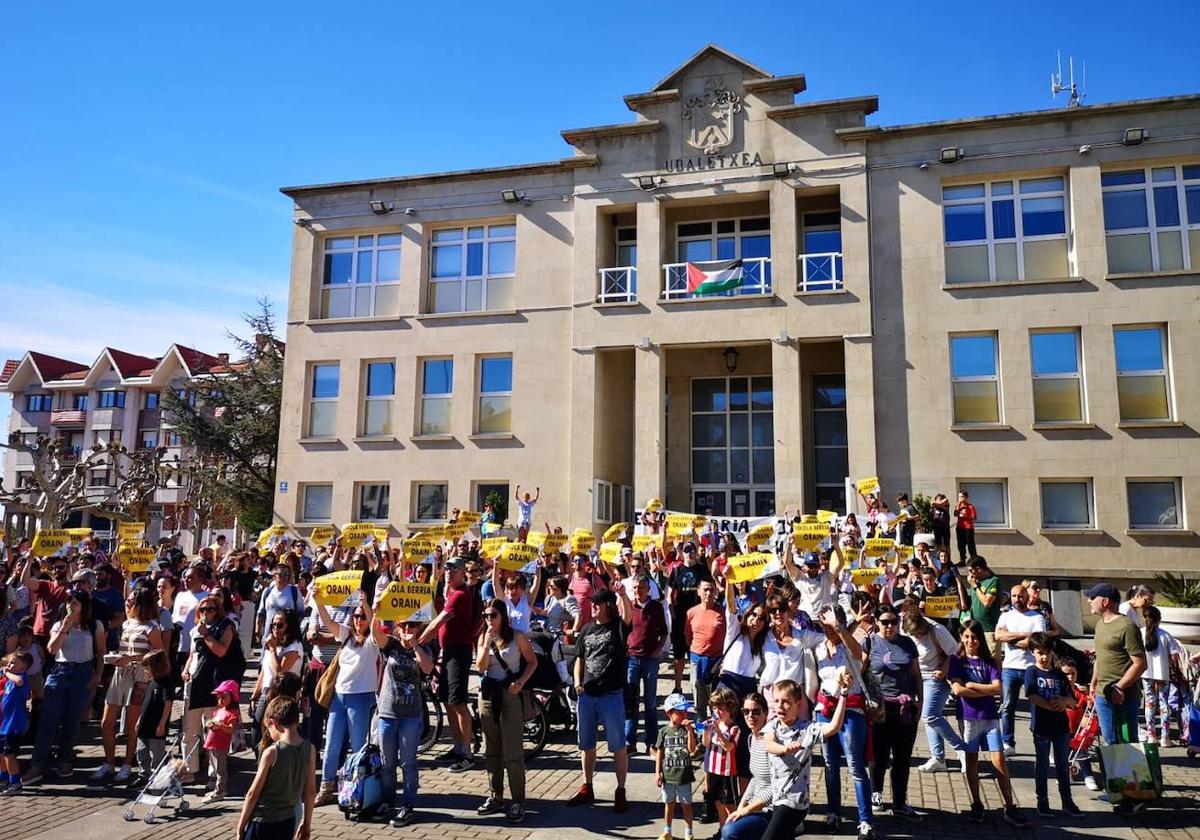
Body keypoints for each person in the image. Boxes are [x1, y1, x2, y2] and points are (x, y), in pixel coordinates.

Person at [947, 619, 1028, 827]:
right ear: (961, 638)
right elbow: (957, 690)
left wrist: (973, 685)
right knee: (971, 761)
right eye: (966, 637)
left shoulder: (989, 661)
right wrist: (983, 689)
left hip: (990, 717)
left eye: (974, 637)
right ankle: (976, 803)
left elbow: (997, 689)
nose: (970, 641)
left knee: (999, 761)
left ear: (980, 639)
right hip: (969, 718)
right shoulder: (957, 661)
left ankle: (1009, 806)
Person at [23, 589, 105, 785]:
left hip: (82, 673)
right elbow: (52, 649)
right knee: (48, 720)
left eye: (75, 602)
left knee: (72, 720)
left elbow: (101, 652)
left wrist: (98, 675)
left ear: (84, 606)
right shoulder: (60, 624)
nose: (71, 605)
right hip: (60, 672)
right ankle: (37, 764)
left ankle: (64, 759)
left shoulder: (94, 625)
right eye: (69, 601)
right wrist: (65, 628)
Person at [761, 676, 853, 840]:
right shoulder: (772, 726)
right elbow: (769, 745)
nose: (780, 706)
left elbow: (834, 727)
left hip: (795, 803)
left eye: (786, 702)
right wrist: (785, 748)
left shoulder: (807, 729)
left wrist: (843, 696)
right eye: (776, 701)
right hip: (777, 800)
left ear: (799, 705)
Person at [567, 585, 632, 812]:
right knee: (586, 745)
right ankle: (587, 786)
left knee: (617, 745)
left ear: (608, 606)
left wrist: (622, 595)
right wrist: (577, 684)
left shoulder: (617, 628)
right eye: (592, 602)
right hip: (587, 696)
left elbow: (628, 617)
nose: (593, 606)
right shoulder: (586, 629)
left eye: (597, 603)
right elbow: (579, 659)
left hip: (611, 696)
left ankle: (621, 789)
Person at [92, 586, 166, 784]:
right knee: (107, 722)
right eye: (127, 600)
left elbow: (159, 655)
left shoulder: (152, 626)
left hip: (140, 676)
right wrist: (117, 658)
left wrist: (133, 658)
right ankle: (108, 762)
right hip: (120, 673)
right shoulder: (126, 624)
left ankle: (126, 764)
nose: (127, 603)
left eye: (131, 601)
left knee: (133, 724)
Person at [475, 599, 537, 824]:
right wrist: (485, 645)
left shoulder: (518, 637)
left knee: (513, 752)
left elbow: (532, 662)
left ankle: (518, 800)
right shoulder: (485, 637)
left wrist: (520, 682)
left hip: (510, 696)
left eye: (493, 615)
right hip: (489, 696)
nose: (489, 620)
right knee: (491, 749)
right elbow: (480, 668)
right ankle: (496, 795)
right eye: (485, 616)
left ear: (502, 616)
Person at [370, 609, 434, 828]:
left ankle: (408, 804)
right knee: (387, 763)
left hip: (410, 716)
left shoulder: (424, 648)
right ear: (398, 627)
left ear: (419, 628)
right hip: (387, 713)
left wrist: (415, 644)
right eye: (404, 625)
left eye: (413, 626)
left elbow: (428, 668)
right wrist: (375, 611)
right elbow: (375, 633)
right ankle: (388, 801)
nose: (408, 630)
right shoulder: (391, 646)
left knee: (408, 763)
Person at [313, 594, 379, 806]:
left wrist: (364, 605)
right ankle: (326, 787)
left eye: (361, 618)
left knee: (358, 746)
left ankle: (358, 789)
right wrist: (318, 601)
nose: (358, 620)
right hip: (339, 698)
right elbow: (328, 622)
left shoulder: (372, 642)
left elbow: (375, 624)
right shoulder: (347, 636)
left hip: (360, 698)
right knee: (331, 743)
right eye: (355, 617)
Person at [812, 604, 871, 835]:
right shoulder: (818, 647)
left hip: (851, 709)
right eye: (824, 625)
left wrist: (840, 628)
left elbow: (858, 655)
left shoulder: (850, 644)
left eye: (832, 624)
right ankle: (833, 812)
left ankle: (866, 820)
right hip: (825, 711)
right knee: (830, 765)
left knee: (856, 766)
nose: (828, 629)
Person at [864, 605, 923, 821]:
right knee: (878, 755)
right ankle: (876, 793)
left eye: (893, 622)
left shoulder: (907, 643)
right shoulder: (870, 642)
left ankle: (899, 801)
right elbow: (861, 673)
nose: (889, 626)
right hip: (879, 708)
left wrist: (921, 702)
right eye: (884, 622)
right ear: (877, 622)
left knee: (902, 757)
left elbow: (916, 674)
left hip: (905, 708)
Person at [417, 560, 476, 773]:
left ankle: (467, 754)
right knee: (448, 701)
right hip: (448, 651)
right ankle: (458, 747)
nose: (448, 572)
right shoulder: (451, 592)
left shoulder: (461, 594)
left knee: (458, 703)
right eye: (447, 569)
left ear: (462, 573)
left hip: (459, 653)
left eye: (453, 569)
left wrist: (417, 643)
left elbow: (437, 622)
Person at [181, 593, 242, 779]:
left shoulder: (226, 626)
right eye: (203, 609)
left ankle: (214, 774)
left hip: (214, 685)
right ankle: (189, 770)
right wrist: (184, 671)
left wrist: (206, 634)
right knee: (189, 732)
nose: (206, 612)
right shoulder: (195, 630)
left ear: (218, 611)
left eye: (211, 609)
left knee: (214, 730)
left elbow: (221, 650)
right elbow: (192, 655)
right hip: (193, 683)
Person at [238, 696, 316, 840]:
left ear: (274, 723)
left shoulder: (272, 752)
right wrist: (306, 823)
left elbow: (253, 793)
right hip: (287, 821)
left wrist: (241, 826)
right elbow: (310, 792)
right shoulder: (310, 749)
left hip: (262, 821)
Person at [1023, 632, 1083, 818]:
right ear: (1032, 652)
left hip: (1061, 727)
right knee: (1042, 765)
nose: (1044, 657)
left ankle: (1067, 801)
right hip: (1042, 727)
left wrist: (1064, 701)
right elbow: (1032, 695)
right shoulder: (1031, 672)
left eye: (1047, 652)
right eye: (1040, 652)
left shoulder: (1059, 674)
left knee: (1062, 765)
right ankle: (1043, 801)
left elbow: (1073, 701)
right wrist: (1050, 705)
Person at [1085, 582, 1146, 757]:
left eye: (1092, 598)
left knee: (1128, 742)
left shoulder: (1126, 626)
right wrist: (1093, 683)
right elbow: (1100, 657)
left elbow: (1140, 663)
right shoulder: (1100, 624)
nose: (1089, 601)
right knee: (1110, 740)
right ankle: (1116, 780)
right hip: (1102, 694)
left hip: (1124, 696)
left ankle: (1132, 781)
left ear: (1105, 601)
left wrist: (1120, 687)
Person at [906, 608, 964, 773]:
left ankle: (962, 750)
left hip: (935, 677)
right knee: (930, 717)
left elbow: (955, 653)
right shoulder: (906, 631)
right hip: (916, 677)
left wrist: (943, 669)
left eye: (917, 633)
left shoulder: (937, 630)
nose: (916, 637)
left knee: (930, 715)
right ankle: (938, 758)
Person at [994, 583, 1047, 755]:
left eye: (1021, 596)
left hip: (1031, 668)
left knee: (1037, 707)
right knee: (1008, 706)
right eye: (1014, 596)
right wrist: (1025, 636)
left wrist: (1011, 639)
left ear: (1027, 596)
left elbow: (1037, 642)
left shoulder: (1037, 617)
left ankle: (1041, 743)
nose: (1018, 599)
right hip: (1010, 667)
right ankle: (1008, 742)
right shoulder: (1005, 616)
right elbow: (998, 636)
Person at [718, 691, 770, 840]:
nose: (750, 716)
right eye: (746, 711)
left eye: (756, 711)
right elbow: (755, 778)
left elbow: (776, 786)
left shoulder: (771, 742)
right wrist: (741, 807)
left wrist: (746, 810)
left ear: (765, 713)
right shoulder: (751, 739)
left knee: (729, 832)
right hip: (755, 806)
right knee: (729, 825)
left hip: (771, 809)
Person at [626, 574, 668, 754]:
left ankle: (652, 742)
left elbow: (664, 632)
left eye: (641, 588)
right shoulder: (628, 606)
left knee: (650, 702)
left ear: (648, 589)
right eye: (635, 588)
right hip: (632, 659)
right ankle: (630, 742)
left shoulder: (656, 607)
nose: (637, 591)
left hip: (650, 659)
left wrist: (659, 650)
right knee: (631, 702)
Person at [250, 610, 303, 749]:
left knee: (277, 731)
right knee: (258, 729)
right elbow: (265, 670)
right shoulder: (274, 644)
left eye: (279, 625)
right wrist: (255, 692)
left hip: (284, 692)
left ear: (289, 626)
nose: (275, 629)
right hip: (267, 690)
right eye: (273, 625)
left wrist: (273, 649)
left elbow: (280, 671)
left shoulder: (295, 646)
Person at [714, 577, 769, 702]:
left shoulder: (761, 641)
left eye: (761, 618)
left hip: (749, 688)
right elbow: (731, 606)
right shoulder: (736, 630)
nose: (756, 620)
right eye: (754, 615)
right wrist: (729, 580)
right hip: (728, 685)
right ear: (747, 614)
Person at [669, 544, 712, 695]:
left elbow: (709, 587)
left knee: (696, 654)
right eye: (686, 551)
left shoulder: (701, 569)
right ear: (682, 553)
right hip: (680, 617)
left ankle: (698, 689)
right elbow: (670, 593)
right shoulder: (676, 570)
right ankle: (678, 686)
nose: (690, 553)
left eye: (692, 550)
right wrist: (672, 613)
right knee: (679, 655)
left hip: (698, 618)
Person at [656, 692, 698, 840]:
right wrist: (658, 773)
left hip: (684, 776)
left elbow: (692, 749)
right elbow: (660, 753)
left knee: (687, 805)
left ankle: (689, 833)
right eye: (680, 712)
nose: (684, 715)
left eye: (685, 711)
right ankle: (667, 831)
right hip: (668, 776)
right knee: (669, 804)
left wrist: (690, 731)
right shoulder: (664, 732)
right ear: (669, 713)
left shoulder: (686, 730)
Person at [685, 579, 725, 720]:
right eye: (705, 589)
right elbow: (688, 636)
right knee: (699, 698)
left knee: (717, 699)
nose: (708, 593)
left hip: (716, 661)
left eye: (711, 590)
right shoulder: (691, 612)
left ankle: (718, 730)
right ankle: (701, 728)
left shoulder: (722, 612)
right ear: (698, 591)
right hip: (698, 659)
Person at [703, 687, 743, 827]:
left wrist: (718, 731)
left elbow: (729, 747)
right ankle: (722, 830)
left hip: (727, 772)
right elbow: (706, 744)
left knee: (729, 805)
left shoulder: (734, 728)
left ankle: (732, 830)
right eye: (714, 709)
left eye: (720, 709)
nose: (716, 712)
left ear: (730, 708)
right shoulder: (714, 724)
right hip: (713, 770)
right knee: (718, 803)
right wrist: (706, 731)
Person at [1140, 605, 1177, 747]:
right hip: (1163, 674)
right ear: (1159, 619)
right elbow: (1174, 657)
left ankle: (1151, 736)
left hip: (1146, 673)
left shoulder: (1139, 633)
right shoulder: (1166, 635)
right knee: (1164, 704)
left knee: (1149, 703)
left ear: (1145, 618)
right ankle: (1165, 738)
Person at [135, 650, 174, 784]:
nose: (146, 670)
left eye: (148, 667)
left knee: (156, 755)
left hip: (157, 725)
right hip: (144, 724)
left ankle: (156, 779)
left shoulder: (166, 683)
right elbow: (145, 703)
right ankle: (143, 775)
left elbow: (167, 704)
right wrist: (139, 719)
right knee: (141, 751)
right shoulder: (151, 682)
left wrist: (162, 724)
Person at [203, 679, 241, 802]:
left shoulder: (232, 713)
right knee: (215, 767)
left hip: (221, 744)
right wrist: (211, 724)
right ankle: (218, 789)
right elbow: (214, 722)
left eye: (223, 697)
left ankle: (219, 791)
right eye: (219, 698)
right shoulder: (219, 710)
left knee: (220, 769)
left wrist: (220, 726)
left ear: (232, 697)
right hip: (212, 743)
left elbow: (231, 729)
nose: (220, 700)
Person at [0, 652, 32, 795]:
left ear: (23, 668)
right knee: (2, 753)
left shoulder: (21, 679)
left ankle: (15, 783)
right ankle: (4, 779)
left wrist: (6, 673)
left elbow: (19, 681)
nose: (9, 665)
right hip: (4, 724)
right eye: (9, 662)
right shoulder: (9, 681)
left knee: (10, 754)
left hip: (14, 725)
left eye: (13, 663)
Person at [965, 557, 1001, 657]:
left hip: (988, 629)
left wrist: (975, 587)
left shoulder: (993, 581)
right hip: (975, 628)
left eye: (971, 571)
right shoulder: (975, 581)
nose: (969, 574)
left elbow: (987, 602)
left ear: (979, 569)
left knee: (992, 657)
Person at [258, 565, 303, 643]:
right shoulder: (268, 591)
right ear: (274, 575)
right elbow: (261, 612)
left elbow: (301, 614)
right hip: (269, 634)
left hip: (288, 636)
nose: (285, 577)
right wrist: (257, 631)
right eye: (282, 574)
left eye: (287, 574)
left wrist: (295, 631)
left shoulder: (294, 591)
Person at [953, 490, 977, 564]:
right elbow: (955, 514)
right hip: (960, 527)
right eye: (959, 496)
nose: (960, 498)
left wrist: (967, 516)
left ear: (966, 497)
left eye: (962, 496)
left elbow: (974, 517)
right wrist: (958, 507)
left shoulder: (970, 506)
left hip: (968, 528)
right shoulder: (958, 505)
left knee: (970, 544)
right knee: (961, 544)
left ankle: (974, 559)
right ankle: (962, 560)